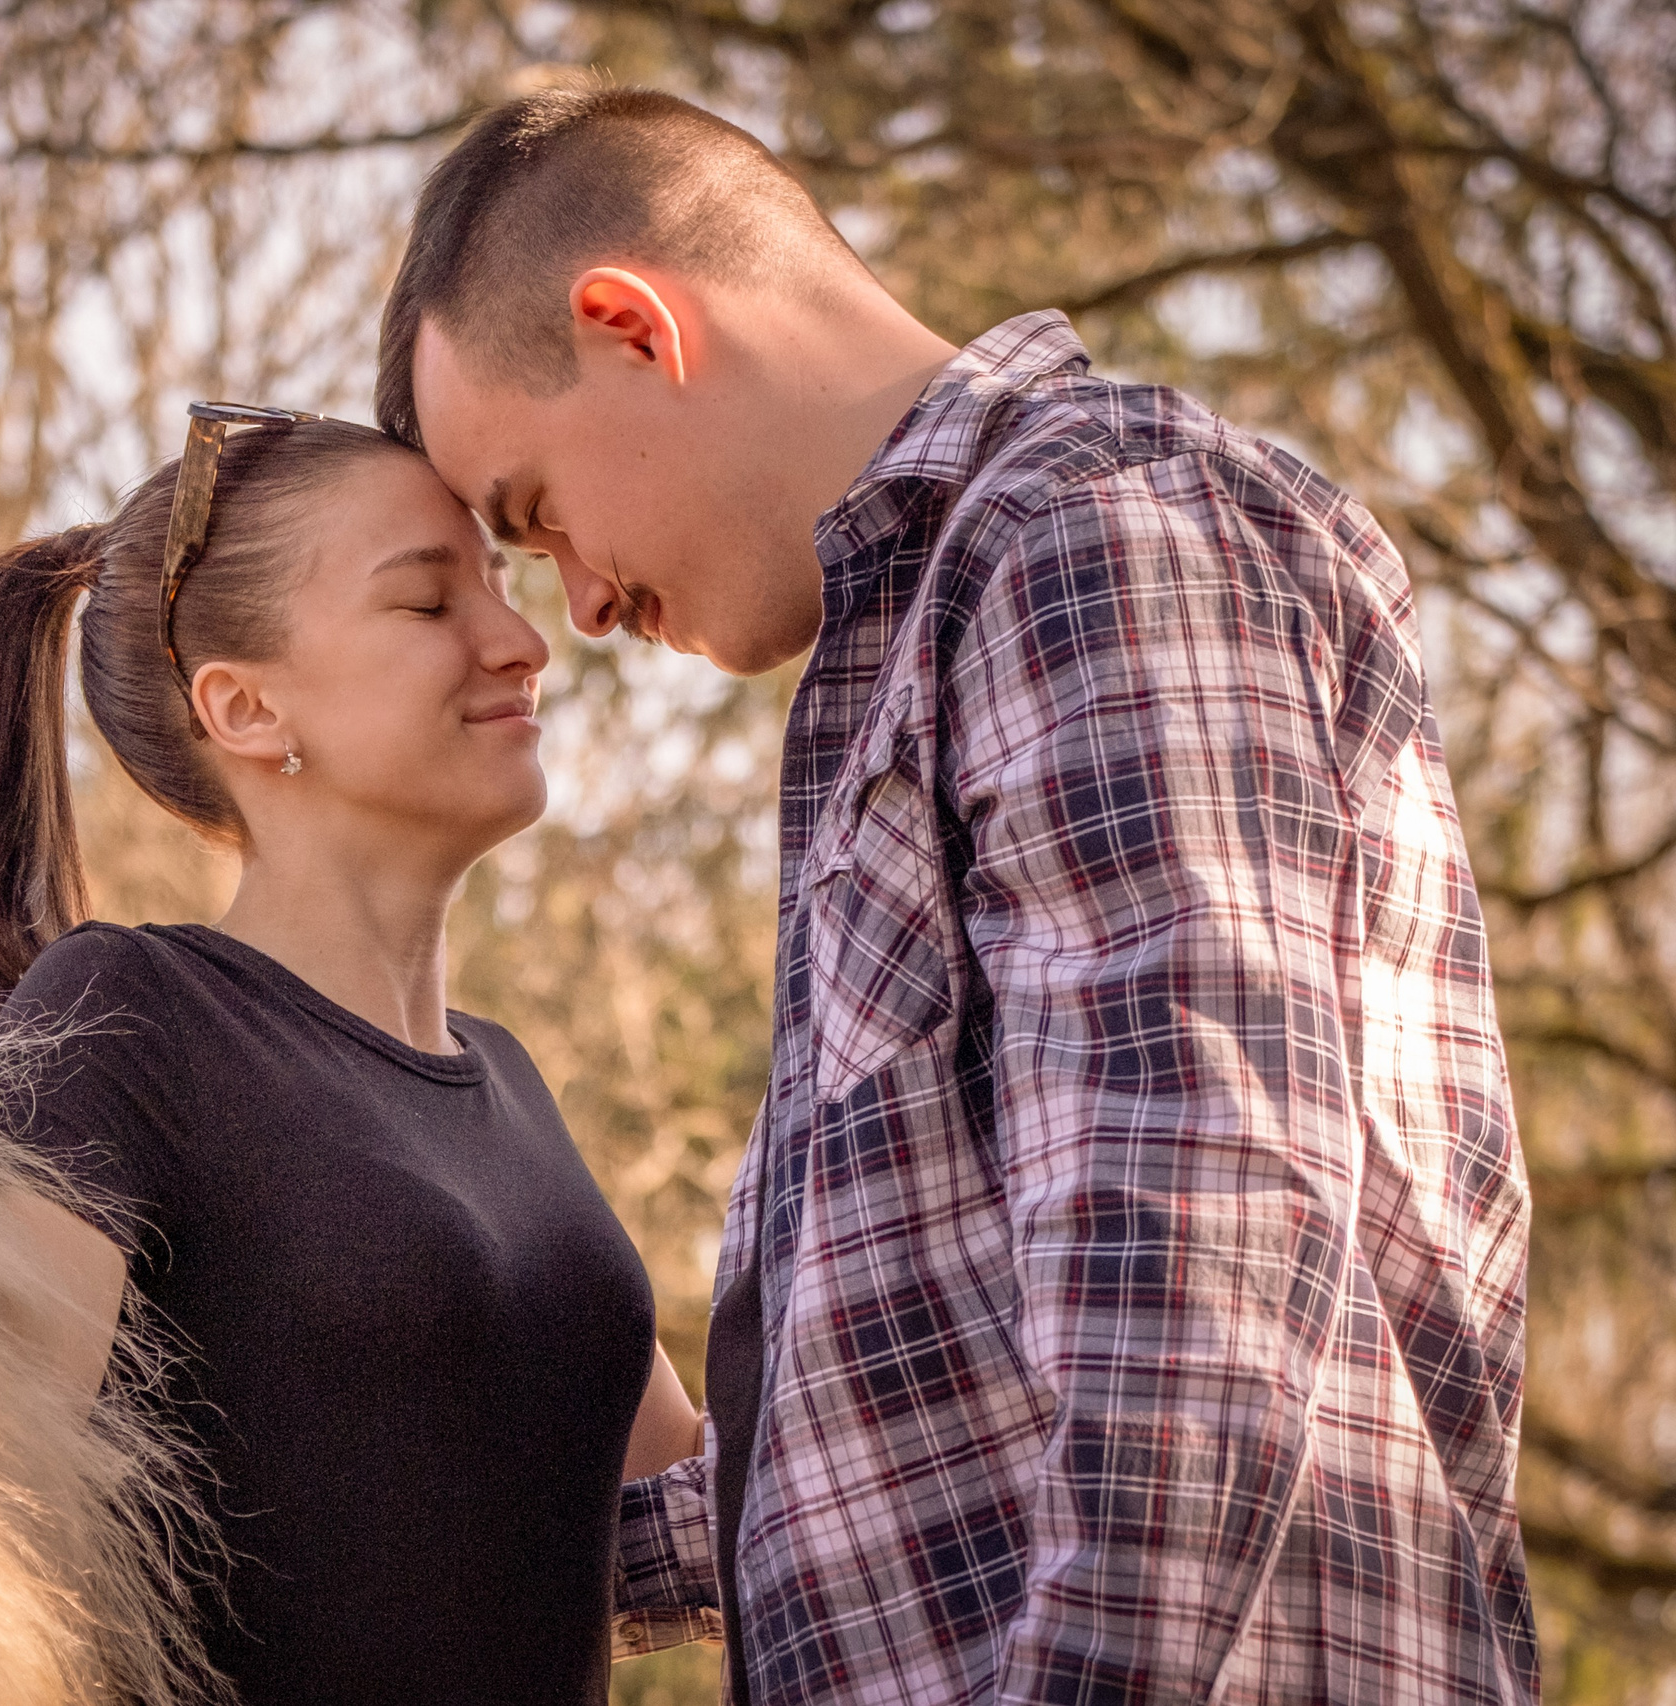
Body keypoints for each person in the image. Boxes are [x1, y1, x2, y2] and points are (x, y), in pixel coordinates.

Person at [377, 85, 1539, 1706]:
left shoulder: (1085, 533)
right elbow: (922, 1425)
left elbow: (1194, 1246)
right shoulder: (933, 643)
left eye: (535, 513)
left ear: (632, 325)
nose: (574, 603)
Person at [0, 409, 705, 1705]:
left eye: (502, 590)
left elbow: (680, 1515)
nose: (521, 643)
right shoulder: (134, 1016)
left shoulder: (506, 1080)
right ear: (246, 704)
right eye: (426, 601)